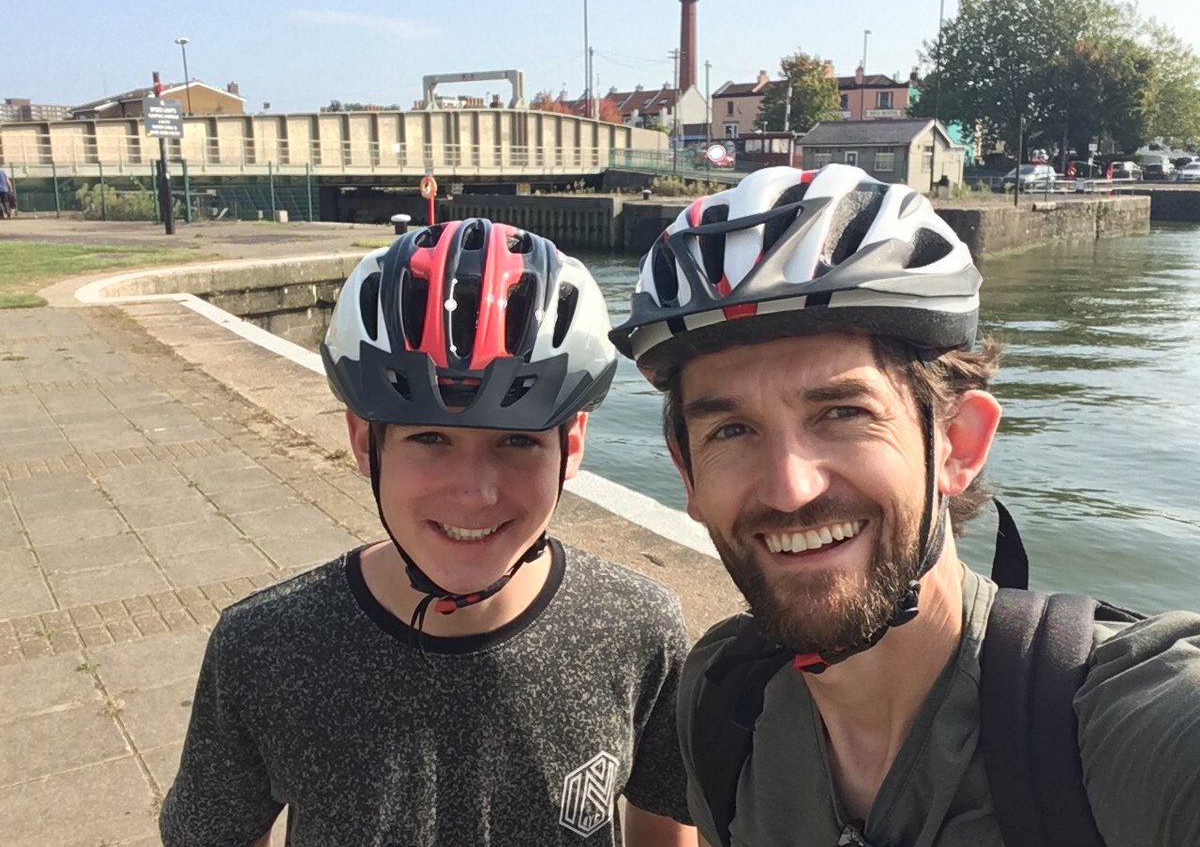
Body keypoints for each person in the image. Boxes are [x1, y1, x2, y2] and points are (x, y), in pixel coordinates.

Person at [610, 165, 1200, 846]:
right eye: (731, 431)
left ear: (957, 442)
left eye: (842, 412)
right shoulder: (722, 701)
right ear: (687, 474)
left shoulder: (1118, 727)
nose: (789, 487)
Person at [161, 218, 697, 846]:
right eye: (430, 439)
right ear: (365, 442)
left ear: (571, 445)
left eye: (517, 441)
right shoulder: (262, 648)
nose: (475, 492)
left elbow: (667, 829)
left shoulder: (640, 629)